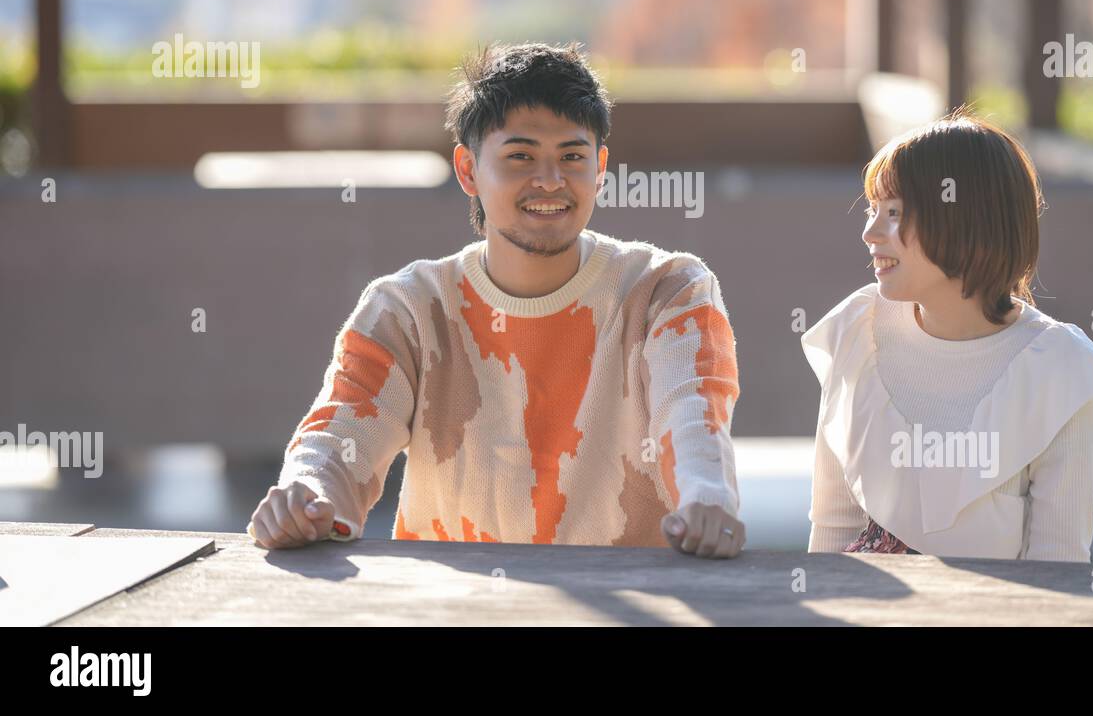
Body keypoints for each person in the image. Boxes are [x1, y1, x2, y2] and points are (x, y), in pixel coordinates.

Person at [248, 41, 745, 558]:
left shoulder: (668, 290)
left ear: (600, 168)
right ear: (467, 170)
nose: (550, 180)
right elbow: (337, 438)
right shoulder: (409, 308)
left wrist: (706, 497)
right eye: (520, 156)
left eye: (571, 157)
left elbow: (691, 414)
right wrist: (306, 493)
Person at [802, 108, 1093, 561]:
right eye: (873, 210)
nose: (869, 232)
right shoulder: (855, 332)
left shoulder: (1061, 372)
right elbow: (832, 529)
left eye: (893, 212)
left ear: (966, 219)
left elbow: (1059, 568)